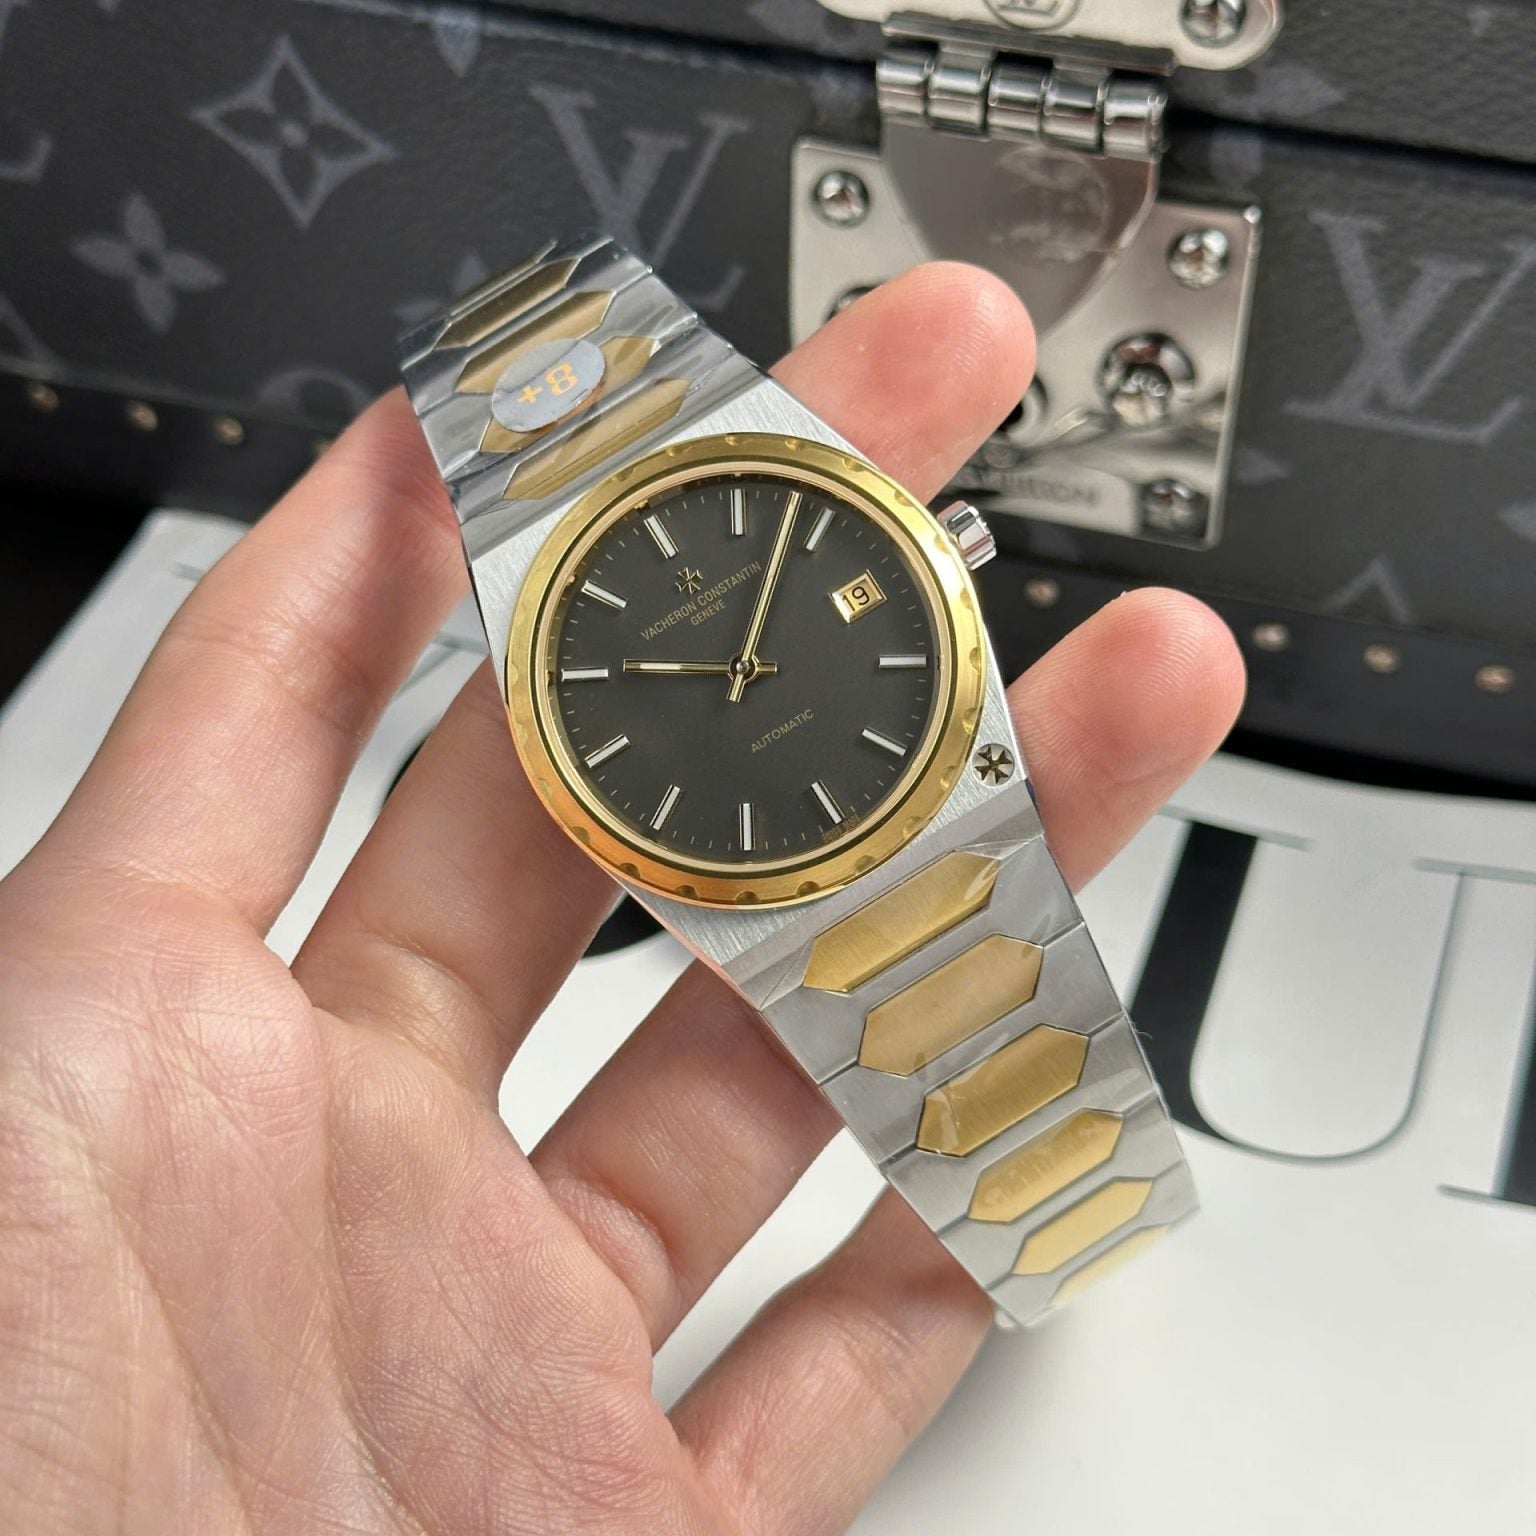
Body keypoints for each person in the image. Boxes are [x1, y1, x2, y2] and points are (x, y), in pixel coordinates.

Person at [0, 264, 1244, 1533]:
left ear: (940, 543)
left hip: (903, 790)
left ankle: (1091, 1202)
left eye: (744, 661)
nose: (745, 675)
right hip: (763, 854)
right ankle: (1081, 1218)